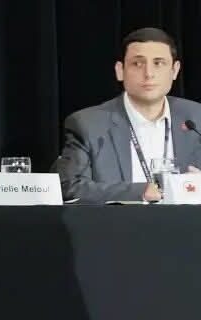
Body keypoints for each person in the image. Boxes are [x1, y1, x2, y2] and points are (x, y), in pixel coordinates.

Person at [55, 27, 201, 204]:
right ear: (120, 70)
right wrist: (140, 192)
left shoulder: (196, 119)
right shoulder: (88, 125)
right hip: (118, 228)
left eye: (159, 63)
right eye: (138, 64)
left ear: (175, 70)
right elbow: (70, 187)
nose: (148, 74)